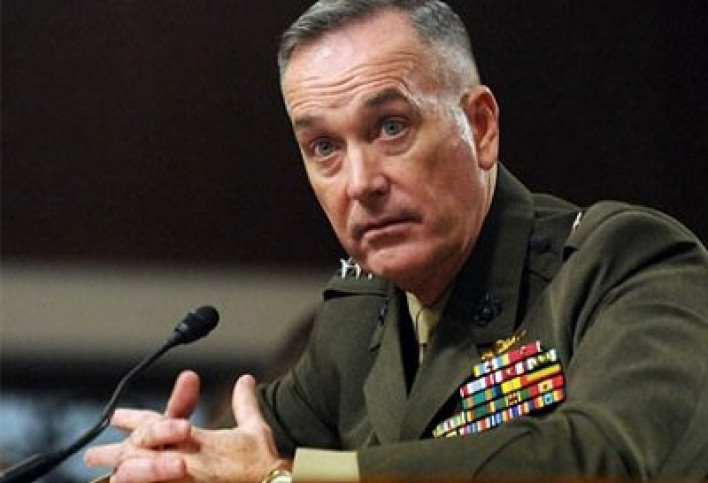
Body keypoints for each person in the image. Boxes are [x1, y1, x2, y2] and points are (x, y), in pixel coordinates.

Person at [84, 1, 708, 481]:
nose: (360, 183)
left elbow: (600, 459)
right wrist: (171, 462)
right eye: (323, 147)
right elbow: (236, 455)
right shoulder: (354, 324)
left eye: (390, 127)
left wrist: (293, 477)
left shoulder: (627, 261)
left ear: (481, 127)